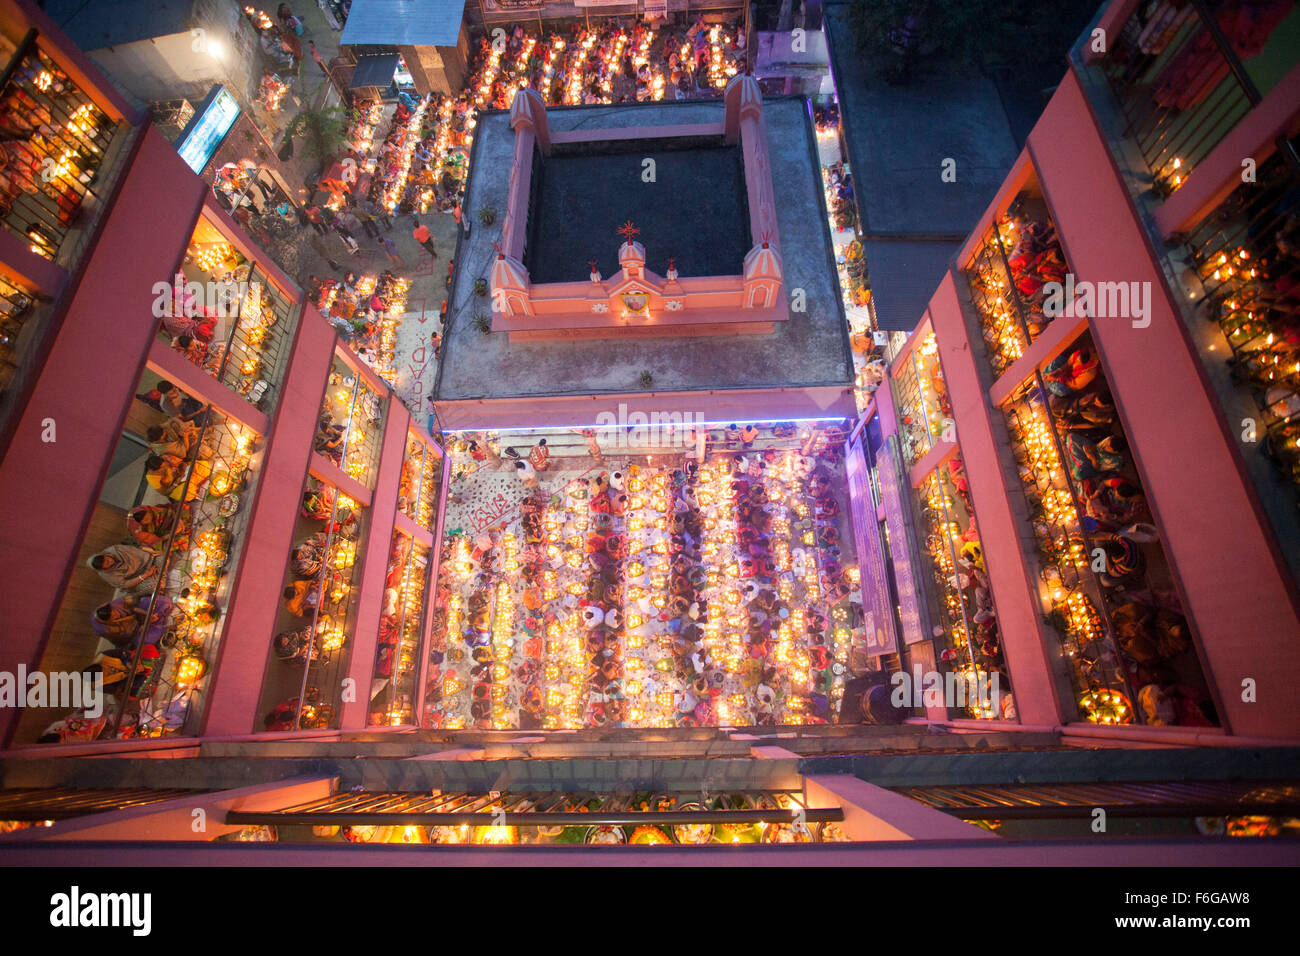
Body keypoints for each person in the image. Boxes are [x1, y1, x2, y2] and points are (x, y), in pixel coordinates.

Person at [88, 544, 161, 594]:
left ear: (105, 555)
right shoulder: (107, 575)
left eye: (107, 560)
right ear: (104, 569)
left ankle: (158, 575)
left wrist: (151, 555)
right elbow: (125, 584)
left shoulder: (116, 549)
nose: (110, 562)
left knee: (163, 560)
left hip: (148, 561)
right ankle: (158, 576)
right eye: (107, 565)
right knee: (153, 586)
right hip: (137, 578)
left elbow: (136, 550)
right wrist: (145, 575)